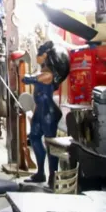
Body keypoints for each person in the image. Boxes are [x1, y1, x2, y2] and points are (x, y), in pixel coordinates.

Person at [22, 40, 70, 185]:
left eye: (40, 54)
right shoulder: (44, 71)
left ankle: (53, 176)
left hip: (48, 113)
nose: (37, 56)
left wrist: (26, 75)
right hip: (39, 111)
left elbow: (30, 79)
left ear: (46, 56)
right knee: (35, 137)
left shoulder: (48, 75)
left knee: (50, 143)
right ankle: (40, 172)